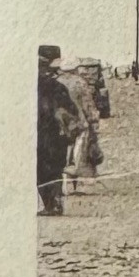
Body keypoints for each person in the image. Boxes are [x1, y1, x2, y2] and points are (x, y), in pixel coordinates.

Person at [36, 46, 81, 216]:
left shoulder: (39, 86)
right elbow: (72, 112)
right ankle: (54, 203)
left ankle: (51, 204)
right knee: (53, 169)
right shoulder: (58, 86)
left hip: (45, 135)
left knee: (44, 170)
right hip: (56, 136)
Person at [57, 59, 103, 193]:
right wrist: (93, 120)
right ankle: (75, 186)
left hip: (60, 123)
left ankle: (64, 185)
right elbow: (88, 104)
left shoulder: (57, 81)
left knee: (64, 153)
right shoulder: (79, 83)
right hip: (78, 123)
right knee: (78, 154)